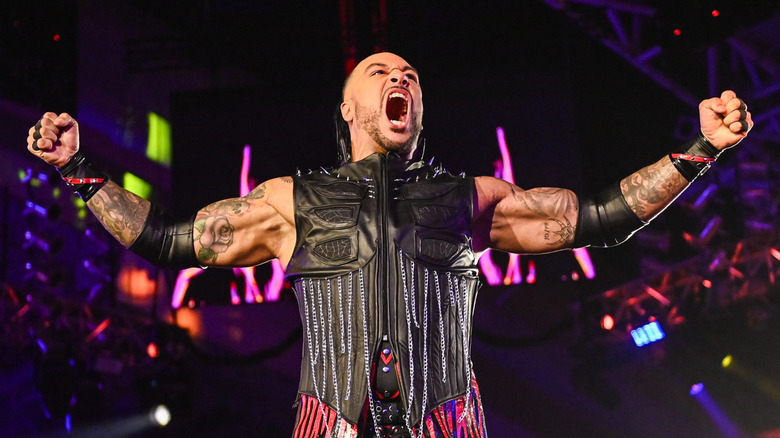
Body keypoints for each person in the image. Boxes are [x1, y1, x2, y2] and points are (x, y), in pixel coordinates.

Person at [27, 52, 752, 438]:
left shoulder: (472, 198)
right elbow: (166, 241)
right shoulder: (288, 200)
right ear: (348, 107)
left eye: (410, 75)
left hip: (447, 423)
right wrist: (78, 169)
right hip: (332, 425)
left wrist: (702, 149)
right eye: (381, 72)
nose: (401, 77)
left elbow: (600, 218)